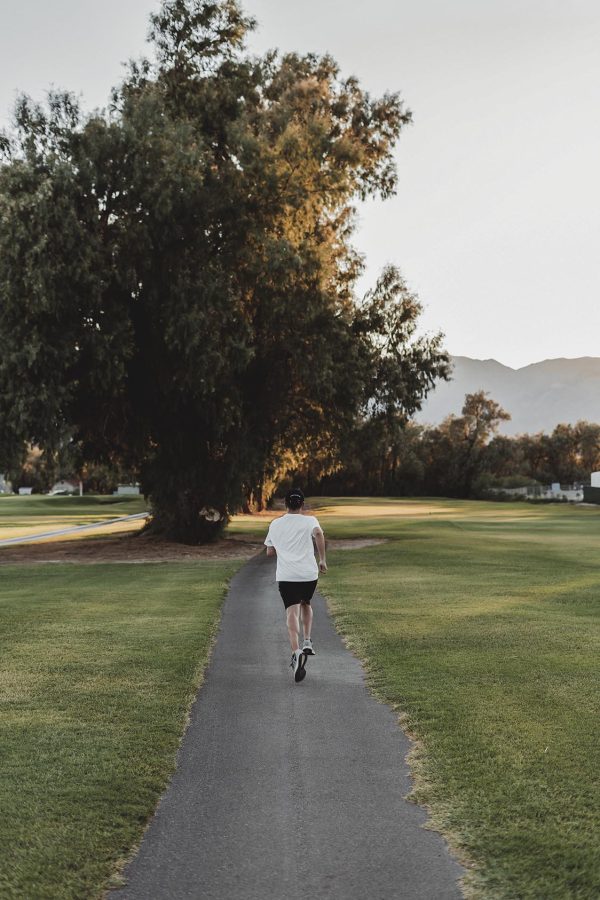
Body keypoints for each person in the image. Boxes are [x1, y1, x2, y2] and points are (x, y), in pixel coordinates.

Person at [264, 488, 327, 683]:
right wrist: (322, 559)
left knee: (292, 612)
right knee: (306, 603)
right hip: (308, 574)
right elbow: (318, 533)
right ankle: (307, 640)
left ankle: (296, 651)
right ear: (302, 504)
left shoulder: (275, 524)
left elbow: (269, 552)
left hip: (287, 575)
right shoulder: (310, 521)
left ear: (285, 504)